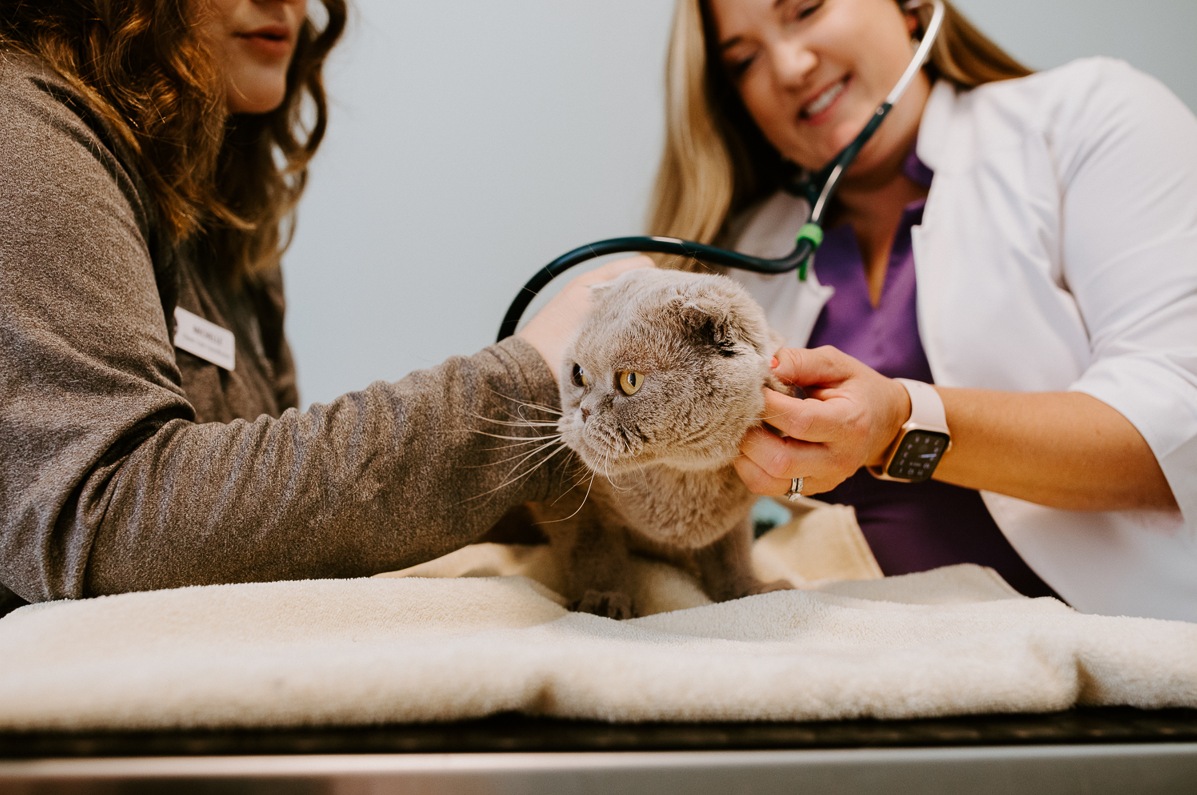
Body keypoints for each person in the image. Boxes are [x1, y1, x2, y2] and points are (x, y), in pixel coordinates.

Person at [0, 0, 645, 618]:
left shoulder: (219, 204)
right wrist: (527, 384)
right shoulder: (21, 132)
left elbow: (264, 530)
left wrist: (608, 464)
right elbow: (105, 517)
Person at [646, 0, 1197, 620]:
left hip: (1122, 654)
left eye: (805, 10)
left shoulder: (1092, 120)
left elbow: (1175, 425)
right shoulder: (738, 259)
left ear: (911, 8)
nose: (790, 66)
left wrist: (903, 427)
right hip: (864, 667)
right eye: (744, 60)